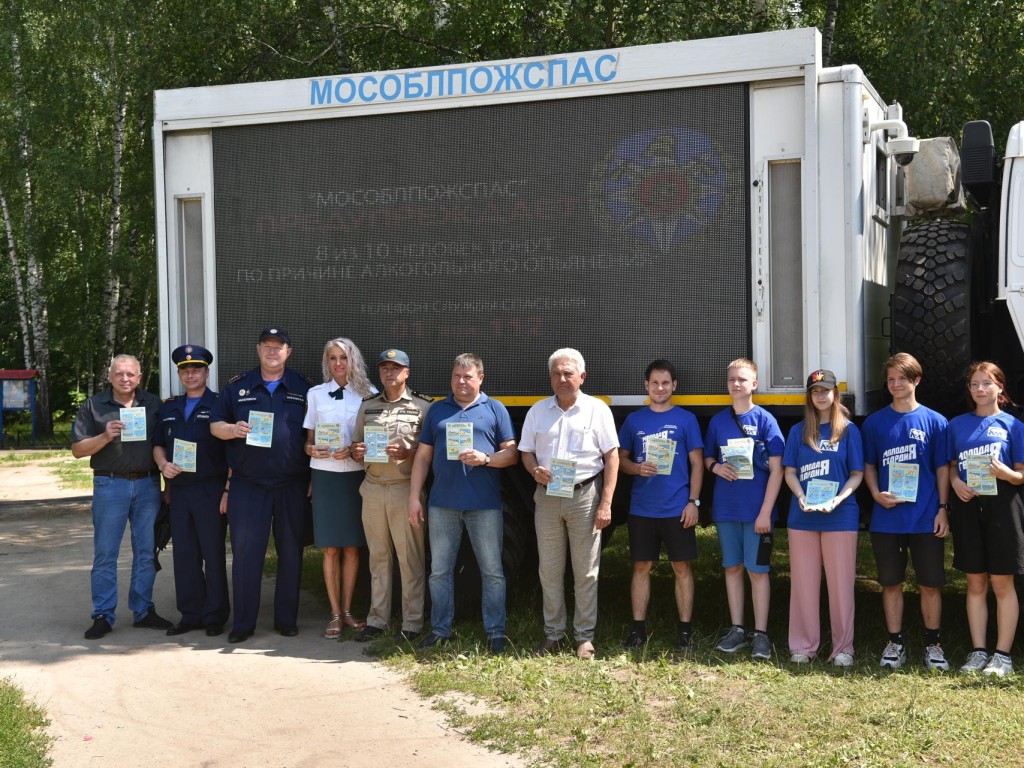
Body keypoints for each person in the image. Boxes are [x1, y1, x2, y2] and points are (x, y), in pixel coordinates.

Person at [408, 353, 518, 653]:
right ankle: (440, 630)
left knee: (492, 571)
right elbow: (423, 457)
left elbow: (512, 454)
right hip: (442, 503)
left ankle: (495, 632)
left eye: (468, 376)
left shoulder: (495, 409)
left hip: (485, 505)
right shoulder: (437, 410)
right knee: (440, 571)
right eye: (457, 376)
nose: (461, 381)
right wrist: (414, 497)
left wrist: (486, 458)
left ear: (480, 378)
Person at [210, 327, 312, 643]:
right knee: (245, 555)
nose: (272, 351)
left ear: (288, 352)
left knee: (291, 554)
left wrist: (313, 478)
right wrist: (232, 429)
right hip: (248, 485)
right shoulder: (237, 388)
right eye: (266, 346)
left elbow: (315, 434)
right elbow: (215, 426)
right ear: (258, 350)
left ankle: (285, 619)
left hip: (291, 485)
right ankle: (243, 623)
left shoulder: (304, 389)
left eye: (278, 346)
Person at [519, 348, 619, 660]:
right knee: (549, 570)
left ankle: (584, 637)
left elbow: (611, 457)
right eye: (556, 374)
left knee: (585, 572)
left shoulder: (597, 410)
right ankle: (553, 634)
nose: (562, 378)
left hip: (585, 496)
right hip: (547, 497)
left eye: (568, 373)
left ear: (582, 377)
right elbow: (525, 451)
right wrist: (533, 468)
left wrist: (606, 503)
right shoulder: (537, 411)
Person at [72, 354, 172, 639]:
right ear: (110, 376)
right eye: (119, 374)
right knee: (106, 553)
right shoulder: (93, 406)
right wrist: (104, 437)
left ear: (139, 377)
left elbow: (164, 441)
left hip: (147, 484)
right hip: (110, 484)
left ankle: (143, 610)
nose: (125, 379)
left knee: (145, 551)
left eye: (130, 374)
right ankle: (103, 614)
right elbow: (78, 450)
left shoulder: (153, 405)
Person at [861, 353, 950, 671]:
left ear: (916, 380)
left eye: (902, 378)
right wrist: (874, 494)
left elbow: (942, 469)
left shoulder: (935, 422)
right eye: (890, 379)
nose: (895, 384)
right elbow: (868, 465)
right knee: (890, 583)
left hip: (925, 517)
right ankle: (895, 643)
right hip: (888, 517)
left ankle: (933, 644)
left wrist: (942, 509)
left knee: (929, 584)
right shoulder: (874, 422)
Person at [617, 359, 704, 650]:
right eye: (654, 382)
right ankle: (637, 630)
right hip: (642, 508)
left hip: (677, 508)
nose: (660, 387)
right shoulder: (634, 420)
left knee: (682, 567)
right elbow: (620, 461)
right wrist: (636, 468)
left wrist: (693, 502)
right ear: (646, 385)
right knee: (641, 566)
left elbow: (697, 465)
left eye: (666, 382)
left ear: (674, 386)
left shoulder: (686, 420)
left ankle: (685, 633)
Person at [947, 361, 1024, 677]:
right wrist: (955, 483)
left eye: (987, 383)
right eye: (975, 384)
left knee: (1003, 581)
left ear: (1000, 387)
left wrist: (1008, 474)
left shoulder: (1014, 425)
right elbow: (951, 465)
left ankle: (1002, 655)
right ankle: (978, 651)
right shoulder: (957, 425)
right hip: (968, 505)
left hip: (1004, 506)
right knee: (975, 581)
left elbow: (1020, 474)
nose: (980, 389)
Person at [782, 370, 864, 667]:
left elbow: (857, 474)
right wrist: (801, 496)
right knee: (803, 583)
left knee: (841, 585)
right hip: (802, 516)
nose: (820, 395)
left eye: (825, 390)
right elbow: (789, 470)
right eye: (815, 391)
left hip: (839, 516)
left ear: (835, 394)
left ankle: (844, 647)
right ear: (809, 395)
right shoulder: (798, 431)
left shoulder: (849, 431)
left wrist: (839, 499)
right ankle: (804, 645)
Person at [703, 358, 784, 660]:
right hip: (727, 509)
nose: (736, 384)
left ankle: (760, 634)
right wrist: (716, 468)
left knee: (757, 571)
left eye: (742, 379)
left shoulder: (766, 421)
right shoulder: (718, 421)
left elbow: (777, 471)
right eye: (732, 380)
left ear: (755, 384)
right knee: (732, 568)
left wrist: (765, 512)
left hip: (757, 513)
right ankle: (737, 629)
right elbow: (707, 456)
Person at [350, 349, 433, 643]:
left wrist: (409, 452)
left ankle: (412, 623)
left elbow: (430, 454)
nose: (390, 373)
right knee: (378, 557)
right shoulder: (367, 406)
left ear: (406, 373)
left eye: (396, 368)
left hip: (404, 488)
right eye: (385, 368)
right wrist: (356, 451)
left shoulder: (423, 407)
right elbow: (355, 445)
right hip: (372, 487)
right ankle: (377, 619)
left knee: (409, 559)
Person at [152, 344, 231, 637]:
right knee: (184, 554)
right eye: (185, 369)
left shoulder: (221, 404)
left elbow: (232, 449)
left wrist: (227, 489)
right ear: (179, 374)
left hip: (210, 488)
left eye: (196, 368)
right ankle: (190, 614)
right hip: (180, 490)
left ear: (206, 372)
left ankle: (215, 615)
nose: (191, 374)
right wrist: (163, 465)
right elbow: (159, 442)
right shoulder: (170, 406)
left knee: (212, 552)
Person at [303, 338, 376, 639]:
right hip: (325, 477)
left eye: (343, 357)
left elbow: (374, 440)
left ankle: (348, 611)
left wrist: (357, 449)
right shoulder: (315, 394)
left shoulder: (369, 394)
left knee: (352, 546)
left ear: (353, 360)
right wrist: (311, 449)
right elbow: (308, 440)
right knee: (331, 547)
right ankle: (334, 613)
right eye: (332, 358)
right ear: (327, 362)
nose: (338, 364)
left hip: (356, 476)